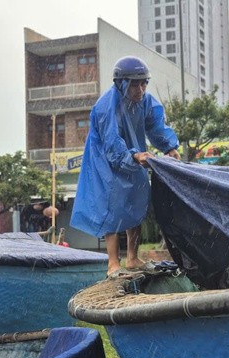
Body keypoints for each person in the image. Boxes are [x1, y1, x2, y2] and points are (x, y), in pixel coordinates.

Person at [71, 56, 180, 278]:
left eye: (144, 83)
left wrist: (169, 146)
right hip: (104, 161)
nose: (140, 89)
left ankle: (132, 257)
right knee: (110, 205)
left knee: (137, 201)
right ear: (122, 83)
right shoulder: (105, 107)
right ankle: (113, 263)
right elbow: (112, 144)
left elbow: (156, 125)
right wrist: (133, 156)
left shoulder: (145, 101)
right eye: (134, 84)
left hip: (136, 155)